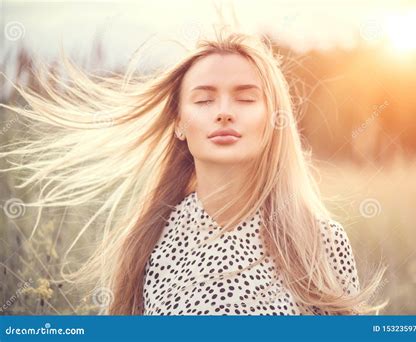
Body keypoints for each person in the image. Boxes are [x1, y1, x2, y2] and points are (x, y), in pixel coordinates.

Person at [0, 31, 386, 315]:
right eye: (203, 99)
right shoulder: (145, 242)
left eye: (246, 98)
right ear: (180, 124)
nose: (223, 111)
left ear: (273, 120)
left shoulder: (319, 242)